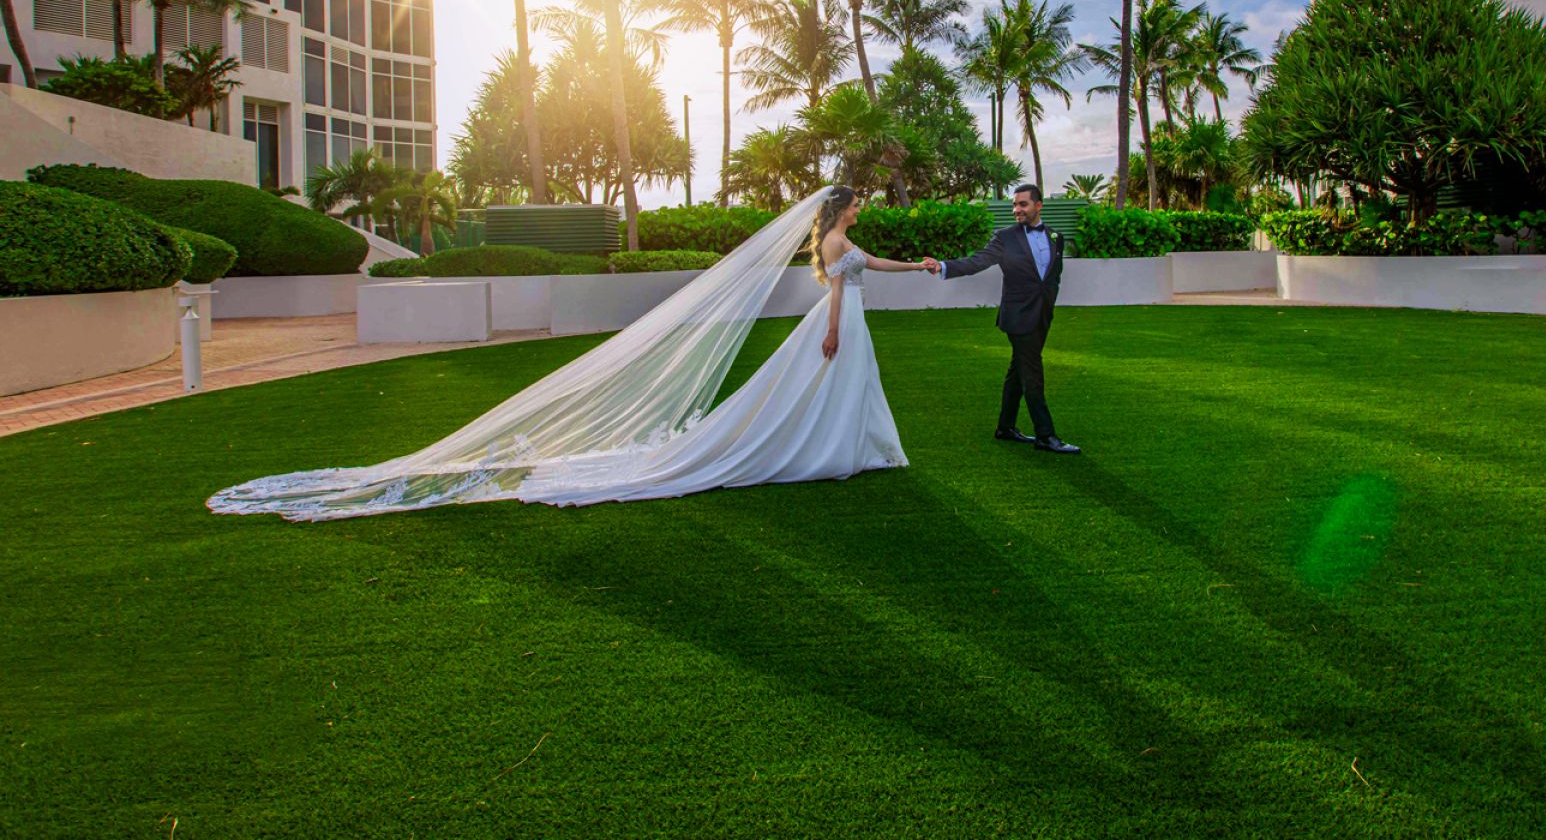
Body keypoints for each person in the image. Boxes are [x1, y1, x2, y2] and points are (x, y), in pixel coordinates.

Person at [209, 186, 934, 520]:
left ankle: (859, 447)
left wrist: (922, 265)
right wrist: (834, 328)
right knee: (824, 390)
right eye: (856, 207)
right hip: (841, 325)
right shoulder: (835, 244)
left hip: (852, 321)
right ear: (839, 212)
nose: (858, 215)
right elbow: (840, 289)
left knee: (843, 393)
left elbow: (873, 268)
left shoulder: (843, 242)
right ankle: (840, 450)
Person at [921, 184, 1078, 455]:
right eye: (1014, 205)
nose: (1017, 209)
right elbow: (978, 261)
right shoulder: (1005, 237)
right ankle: (1046, 435)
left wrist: (1048, 302)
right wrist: (943, 266)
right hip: (1018, 316)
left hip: (1042, 314)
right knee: (1032, 374)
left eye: (1023, 204)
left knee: (1018, 371)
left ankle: (1005, 427)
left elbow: (1054, 275)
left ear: (1038, 205)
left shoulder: (1056, 236)